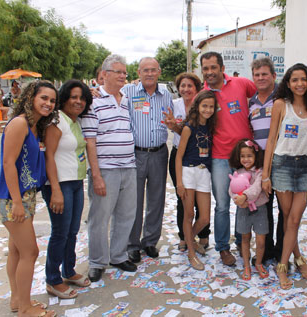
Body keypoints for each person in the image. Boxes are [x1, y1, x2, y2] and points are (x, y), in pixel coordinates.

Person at [0, 80, 58, 317]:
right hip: (13, 197)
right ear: (31, 97)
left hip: (26, 195)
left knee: (16, 250)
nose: (48, 104)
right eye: (44, 98)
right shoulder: (20, 123)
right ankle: (25, 309)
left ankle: (17, 299)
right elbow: (8, 163)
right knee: (30, 252)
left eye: (52, 100)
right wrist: (17, 202)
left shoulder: (35, 126)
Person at [262, 63, 307, 289]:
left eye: (303, 79)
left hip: (305, 166)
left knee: (294, 220)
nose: (299, 84)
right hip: (282, 165)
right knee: (288, 218)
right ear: (288, 83)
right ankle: (293, 261)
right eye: (295, 80)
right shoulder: (281, 105)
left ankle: (285, 262)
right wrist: (266, 175)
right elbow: (271, 140)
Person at [81, 54, 137, 282]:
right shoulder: (92, 101)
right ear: (104, 75)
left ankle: (118, 255)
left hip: (129, 167)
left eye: (125, 72)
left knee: (126, 215)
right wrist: (96, 175)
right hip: (105, 169)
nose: (123, 76)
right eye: (119, 72)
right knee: (99, 217)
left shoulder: (126, 100)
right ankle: (97, 261)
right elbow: (90, 141)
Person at [201, 51, 256, 266]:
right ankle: (223, 248)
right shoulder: (203, 95)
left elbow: (264, 93)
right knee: (222, 205)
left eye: (213, 67)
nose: (210, 72)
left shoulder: (242, 83)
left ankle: (242, 244)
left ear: (222, 68)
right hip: (219, 158)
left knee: (244, 203)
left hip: (245, 158)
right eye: (205, 69)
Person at [42, 80, 92, 299]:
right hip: (59, 184)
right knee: (60, 233)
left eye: (82, 98)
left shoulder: (75, 121)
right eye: (73, 97)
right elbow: (49, 155)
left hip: (75, 182)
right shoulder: (56, 120)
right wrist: (55, 190)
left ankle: (68, 271)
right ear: (64, 98)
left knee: (72, 231)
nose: (78, 101)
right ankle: (53, 280)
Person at [125, 57, 173, 263]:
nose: (150, 73)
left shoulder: (166, 95)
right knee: (133, 200)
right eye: (145, 70)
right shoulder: (128, 92)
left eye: (153, 70)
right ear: (138, 72)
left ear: (159, 72)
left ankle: (150, 241)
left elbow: (171, 120)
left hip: (159, 153)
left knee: (156, 199)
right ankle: (132, 244)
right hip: (135, 153)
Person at [166, 72, 210, 252]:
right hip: (179, 154)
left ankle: (203, 234)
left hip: (200, 156)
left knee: (202, 198)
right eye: (182, 86)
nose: (185, 89)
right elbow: (181, 132)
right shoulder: (173, 104)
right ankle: (184, 237)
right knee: (182, 198)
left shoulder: (203, 105)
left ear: (197, 88)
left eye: (189, 86)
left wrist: (175, 127)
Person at [175, 90, 217, 270]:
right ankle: (191, 253)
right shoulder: (188, 127)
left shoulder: (211, 127)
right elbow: (178, 156)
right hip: (188, 172)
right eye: (204, 106)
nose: (207, 110)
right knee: (189, 214)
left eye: (211, 106)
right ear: (197, 106)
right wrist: (179, 183)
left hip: (204, 173)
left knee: (205, 217)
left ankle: (189, 240)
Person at [248, 57, 284, 264]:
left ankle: (282, 252)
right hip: (261, 164)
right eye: (257, 75)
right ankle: (267, 249)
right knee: (265, 208)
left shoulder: (283, 98)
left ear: (273, 75)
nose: (261, 78)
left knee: (285, 211)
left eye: (264, 74)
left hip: (282, 160)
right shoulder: (251, 102)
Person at [229, 139, 269, 281]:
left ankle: (258, 262)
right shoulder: (237, 172)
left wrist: (244, 197)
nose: (246, 159)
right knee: (245, 238)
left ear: (256, 156)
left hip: (260, 209)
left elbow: (257, 188)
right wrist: (237, 199)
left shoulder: (260, 172)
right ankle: (246, 264)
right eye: (242, 156)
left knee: (261, 240)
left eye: (249, 156)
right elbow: (232, 189)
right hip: (243, 210)